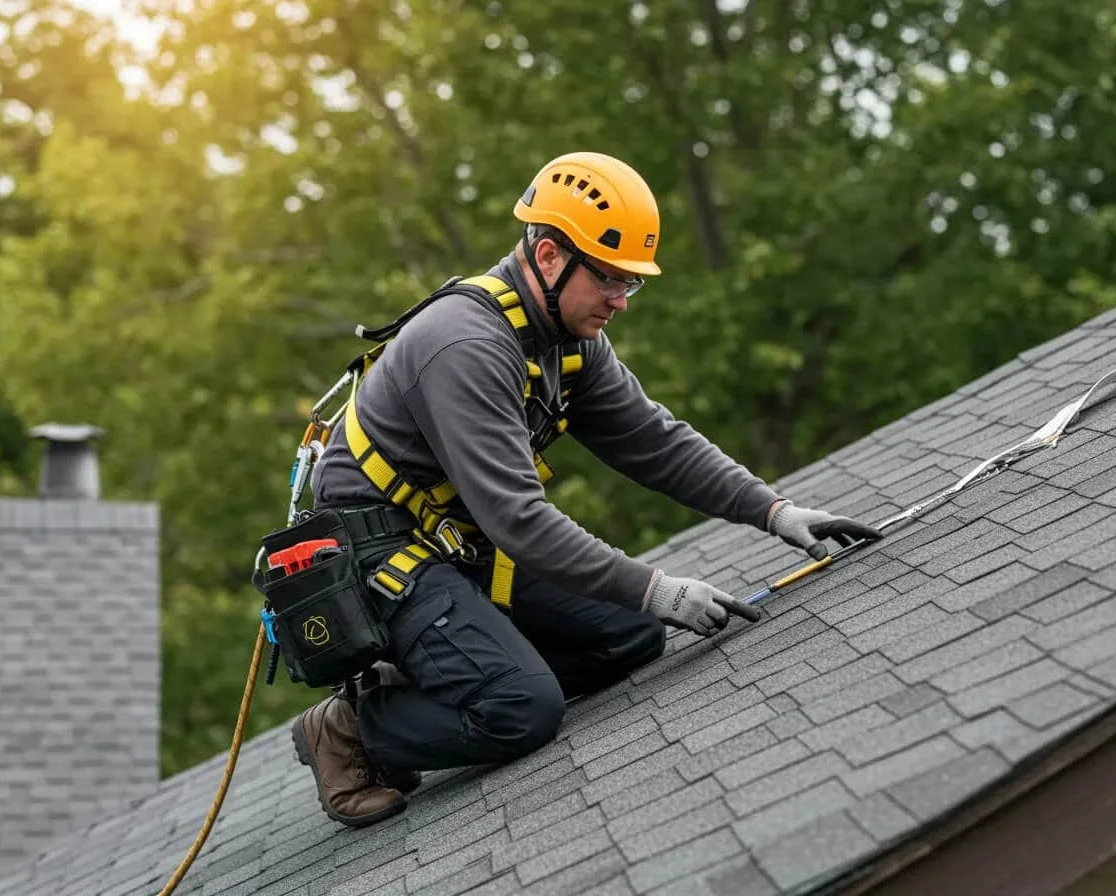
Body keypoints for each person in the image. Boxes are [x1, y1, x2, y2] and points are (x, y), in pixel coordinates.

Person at [292, 151, 882, 827]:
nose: (621, 301)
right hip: (380, 561)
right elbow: (521, 524)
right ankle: (349, 731)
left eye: (632, 283)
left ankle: (457, 669)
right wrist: (662, 587)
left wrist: (775, 512)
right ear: (548, 258)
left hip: (456, 547)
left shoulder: (565, 340)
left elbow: (654, 442)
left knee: (630, 633)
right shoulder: (466, 346)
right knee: (522, 708)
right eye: (608, 280)